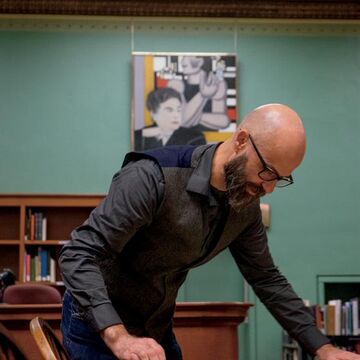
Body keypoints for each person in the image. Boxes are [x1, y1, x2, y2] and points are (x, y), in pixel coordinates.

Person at [59, 103, 360, 360]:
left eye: (281, 179)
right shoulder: (151, 177)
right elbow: (79, 253)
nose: (268, 189)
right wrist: (119, 337)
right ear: (242, 140)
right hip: (98, 327)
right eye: (267, 172)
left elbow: (266, 278)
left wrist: (323, 349)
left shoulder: (245, 205)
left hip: (155, 329)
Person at [168, 55, 230, 130]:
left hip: (212, 138)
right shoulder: (176, 85)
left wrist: (193, 116)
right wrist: (203, 94)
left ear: (201, 62)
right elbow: (181, 120)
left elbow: (223, 121)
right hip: (180, 138)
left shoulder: (217, 84)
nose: (183, 60)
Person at [135, 87, 206, 151]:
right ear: (153, 114)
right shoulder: (141, 135)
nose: (176, 115)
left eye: (178, 110)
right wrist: (143, 133)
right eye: (169, 110)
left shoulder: (195, 137)